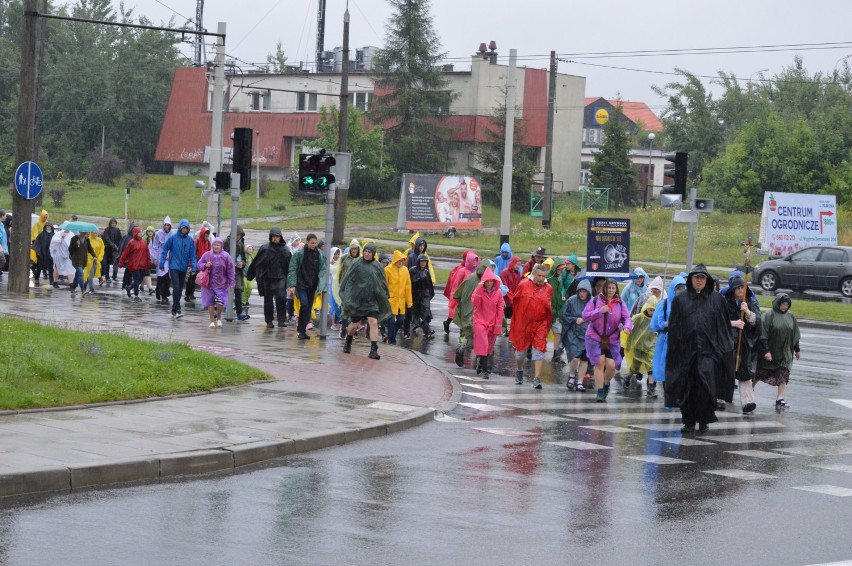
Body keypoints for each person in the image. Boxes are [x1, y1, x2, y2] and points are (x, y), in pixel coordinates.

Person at [665, 264, 735, 434]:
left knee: (706, 388)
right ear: (691, 279)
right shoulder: (681, 300)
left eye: (702, 278)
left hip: (708, 353)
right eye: (696, 278)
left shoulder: (717, 300)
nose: (699, 281)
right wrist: (674, 350)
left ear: (707, 280)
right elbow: (674, 326)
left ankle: (704, 419)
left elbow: (723, 327)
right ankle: (688, 421)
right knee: (687, 388)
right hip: (686, 353)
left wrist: (724, 350)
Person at [583, 278, 633, 402]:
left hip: (612, 338)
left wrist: (627, 327)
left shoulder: (620, 303)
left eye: (613, 288)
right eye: (608, 288)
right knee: (600, 363)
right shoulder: (595, 300)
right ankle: (600, 390)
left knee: (611, 366)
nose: (610, 290)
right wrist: (599, 311)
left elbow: (627, 318)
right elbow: (585, 315)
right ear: (604, 288)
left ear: (616, 289)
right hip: (595, 337)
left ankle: (606, 383)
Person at [340, 242, 391, 360]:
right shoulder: (356, 263)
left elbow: (383, 282)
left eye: (369, 252)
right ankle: (348, 340)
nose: (367, 254)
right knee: (354, 325)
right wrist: (346, 295)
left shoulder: (378, 266)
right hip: (357, 300)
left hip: (372, 301)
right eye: (366, 252)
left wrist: (385, 295)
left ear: (373, 254)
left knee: (373, 322)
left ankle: (373, 349)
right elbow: (348, 280)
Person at [722, 272, 762, 414]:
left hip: (744, 344)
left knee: (744, 373)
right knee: (726, 370)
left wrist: (748, 312)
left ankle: (747, 402)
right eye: (738, 288)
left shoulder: (750, 302)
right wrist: (734, 323)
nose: (740, 290)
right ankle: (721, 398)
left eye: (742, 288)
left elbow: (757, 322)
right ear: (733, 289)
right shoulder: (726, 302)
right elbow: (718, 321)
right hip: (728, 342)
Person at [509, 263, 553, 389]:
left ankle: (537, 378)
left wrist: (547, 324)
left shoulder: (548, 288)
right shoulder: (523, 285)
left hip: (540, 324)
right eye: (539, 275)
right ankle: (519, 369)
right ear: (533, 274)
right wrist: (516, 323)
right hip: (524, 324)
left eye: (543, 276)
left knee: (539, 350)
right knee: (520, 353)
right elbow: (515, 303)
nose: (541, 278)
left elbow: (549, 307)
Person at [755, 293, 800, 410]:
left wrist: (797, 349)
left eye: (787, 304)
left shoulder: (791, 316)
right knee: (760, 373)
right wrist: (766, 351)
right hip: (771, 352)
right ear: (777, 303)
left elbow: (794, 334)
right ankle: (749, 389)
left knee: (784, 374)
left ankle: (780, 398)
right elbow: (763, 334)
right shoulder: (769, 316)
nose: (785, 307)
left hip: (785, 353)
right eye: (783, 304)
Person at [649, 275, 687, 399]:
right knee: (666, 368)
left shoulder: (688, 304)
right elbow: (654, 324)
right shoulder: (664, 304)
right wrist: (666, 324)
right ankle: (668, 393)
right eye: (678, 288)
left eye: (683, 288)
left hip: (682, 341)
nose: (681, 291)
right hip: (666, 340)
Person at [246, 227, 292, 329]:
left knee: (281, 298)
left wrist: (291, 280)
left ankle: (281, 320)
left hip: (280, 277)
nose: (275, 238)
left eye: (277, 236)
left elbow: (290, 266)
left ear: (280, 237)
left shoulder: (285, 250)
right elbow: (257, 262)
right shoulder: (265, 248)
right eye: (273, 236)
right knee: (268, 301)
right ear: (270, 237)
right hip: (268, 278)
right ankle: (269, 321)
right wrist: (250, 274)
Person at [287, 233, 327, 340]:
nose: (314, 245)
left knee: (308, 308)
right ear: (307, 242)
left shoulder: (320, 254)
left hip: (312, 285)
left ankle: (302, 330)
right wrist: (292, 284)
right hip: (301, 285)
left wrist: (321, 285)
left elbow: (323, 270)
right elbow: (292, 269)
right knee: (304, 305)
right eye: (312, 243)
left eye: (315, 243)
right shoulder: (299, 254)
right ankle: (301, 329)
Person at [158, 219, 196, 319]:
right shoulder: (173, 238)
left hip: (183, 268)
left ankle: (174, 310)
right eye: (183, 228)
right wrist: (161, 263)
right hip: (173, 266)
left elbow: (192, 255)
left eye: (186, 228)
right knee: (177, 287)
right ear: (180, 228)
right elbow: (164, 250)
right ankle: (177, 309)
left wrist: (193, 267)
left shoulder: (190, 240)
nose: (185, 230)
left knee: (179, 290)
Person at [453, 261, 488, 368]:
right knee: (473, 336)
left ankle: (461, 347)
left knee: (465, 332)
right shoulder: (484, 282)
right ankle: (463, 348)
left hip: (466, 310)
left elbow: (457, 294)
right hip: (473, 312)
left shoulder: (470, 278)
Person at [471, 267, 504, 379]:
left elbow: (500, 309)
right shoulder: (479, 290)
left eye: (491, 281)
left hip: (492, 322)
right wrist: (479, 289)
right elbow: (475, 303)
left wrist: (498, 325)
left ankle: (480, 363)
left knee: (489, 347)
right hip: (480, 321)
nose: (489, 283)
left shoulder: (498, 293)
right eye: (487, 281)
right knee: (483, 344)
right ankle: (485, 370)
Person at [561, 279, 593, 391]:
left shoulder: (593, 302)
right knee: (574, 358)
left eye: (584, 291)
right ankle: (572, 375)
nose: (582, 294)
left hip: (588, 335)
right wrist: (575, 319)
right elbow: (564, 316)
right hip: (573, 333)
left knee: (584, 359)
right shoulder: (571, 301)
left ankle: (580, 382)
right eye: (580, 291)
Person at [624, 295, 659, 392]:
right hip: (638, 348)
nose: (652, 312)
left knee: (651, 368)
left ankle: (651, 388)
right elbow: (631, 333)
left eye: (654, 310)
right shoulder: (638, 318)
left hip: (649, 349)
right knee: (635, 367)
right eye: (650, 310)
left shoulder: (656, 320)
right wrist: (628, 344)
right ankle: (628, 377)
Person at [198, 237, 236, 328]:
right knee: (210, 302)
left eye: (218, 245)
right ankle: (211, 321)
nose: (216, 247)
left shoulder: (226, 256)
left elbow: (231, 270)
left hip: (221, 284)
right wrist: (205, 265)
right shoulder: (207, 255)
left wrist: (232, 282)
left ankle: (218, 317)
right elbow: (199, 264)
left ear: (221, 246)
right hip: (208, 284)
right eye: (214, 245)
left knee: (220, 302)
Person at [384, 249, 413, 345]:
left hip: (401, 301)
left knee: (401, 320)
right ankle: (391, 340)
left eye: (402, 261)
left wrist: (409, 302)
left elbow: (408, 287)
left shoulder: (405, 270)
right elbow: (384, 285)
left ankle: (391, 335)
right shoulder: (387, 270)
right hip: (390, 301)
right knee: (391, 321)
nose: (400, 263)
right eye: (399, 261)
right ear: (395, 260)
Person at [442, 250, 472, 334]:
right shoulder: (461, 269)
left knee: (461, 313)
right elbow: (455, 283)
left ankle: (460, 332)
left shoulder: (470, 269)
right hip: (459, 295)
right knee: (456, 312)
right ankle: (448, 323)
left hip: (466, 296)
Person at [118, 226, 150, 302]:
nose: (140, 234)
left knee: (140, 279)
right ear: (135, 233)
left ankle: (129, 288)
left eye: (141, 232)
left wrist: (148, 262)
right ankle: (136, 295)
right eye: (139, 233)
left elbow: (147, 253)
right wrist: (121, 262)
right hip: (134, 264)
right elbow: (125, 253)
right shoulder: (131, 242)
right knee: (136, 279)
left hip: (142, 264)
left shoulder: (144, 243)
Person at [224, 225, 249, 321]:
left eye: (240, 235)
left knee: (238, 290)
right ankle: (219, 310)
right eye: (237, 235)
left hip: (237, 272)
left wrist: (241, 264)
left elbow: (243, 258)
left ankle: (239, 312)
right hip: (225, 271)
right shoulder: (225, 242)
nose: (238, 237)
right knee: (224, 291)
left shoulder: (240, 244)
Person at [409, 253, 435, 337]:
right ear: (418, 262)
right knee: (416, 314)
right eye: (422, 261)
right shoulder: (412, 270)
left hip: (424, 296)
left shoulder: (426, 272)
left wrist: (429, 296)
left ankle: (427, 331)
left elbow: (430, 286)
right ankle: (418, 325)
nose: (423, 263)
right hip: (415, 296)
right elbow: (409, 283)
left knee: (426, 313)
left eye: (425, 261)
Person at [185, 223, 212, 303]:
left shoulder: (208, 243)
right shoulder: (196, 242)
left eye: (208, 236)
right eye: (205, 236)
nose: (207, 237)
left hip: (203, 264)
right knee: (192, 279)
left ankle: (191, 293)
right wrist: (190, 263)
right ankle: (188, 294)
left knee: (198, 279)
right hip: (195, 262)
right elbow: (192, 253)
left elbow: (209, 253)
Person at [499, 255, 523, 336]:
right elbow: (505, 287)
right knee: (505, 314)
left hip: (514, 297)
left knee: (512, 315)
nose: (519, 267)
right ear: (512, 263)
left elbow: (518, 286)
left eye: (520, 265)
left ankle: (509, 331)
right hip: (506, 298)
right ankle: (504, 329)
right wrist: (512, 298)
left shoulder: (518, 273)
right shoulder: (504, 272)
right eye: (517, 264)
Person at [151, 217, 173, 302]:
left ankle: (165, 294)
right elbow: (155, 246)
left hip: (169, 257)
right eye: (166, 225)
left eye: (168, 225)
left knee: (168, 276)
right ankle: (158, 290)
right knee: (161, 276)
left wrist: (171, 255)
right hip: (161, 256)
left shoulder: (173, 234)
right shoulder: (158, 234)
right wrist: (155, 258)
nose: (167, 227)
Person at [68, 231, 96, 296]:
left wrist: (94, 256)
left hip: (83, 260)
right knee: (81, 273)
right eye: (84, 232)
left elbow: (90, 249)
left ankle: (73, 288)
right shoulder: (74, 238)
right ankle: (83, 289)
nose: (86, 234)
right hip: (76, 260)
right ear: (80, 232)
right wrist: (76, 244)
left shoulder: (86, 239)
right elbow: (70, 249)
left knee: (77, 274)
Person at [82, 230, 105, 294]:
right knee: (90, 274)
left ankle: (84, 287)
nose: (95, 234)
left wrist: (99, 258)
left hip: (96, 260)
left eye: (96, 233)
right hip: (89, 260)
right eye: (94, 233)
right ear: (91, 233)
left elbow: (102, 250)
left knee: (89, 275)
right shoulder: (87, 240)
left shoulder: (100, 240)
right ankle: (91, 289)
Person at [32, 223, 55, 287]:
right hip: (42, 254)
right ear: (45, 227)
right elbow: (37, 243)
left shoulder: (54, 235)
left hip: (50, 254)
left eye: (49, 226)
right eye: (47, 226)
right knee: (39, 267)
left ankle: (51, 281)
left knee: (50, 268)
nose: (48, 228)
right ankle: (36, 279)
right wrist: (38, 252)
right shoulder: (41, 234)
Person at [101, 217, 122, 282]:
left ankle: (114, 276)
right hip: (107, 249)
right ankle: (107, 277)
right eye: (112, 223)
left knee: (115, 262)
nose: (113, 224)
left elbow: (120, 239)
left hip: (115, 250)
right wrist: (112, 244)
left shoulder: (117, 230)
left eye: (114, 223)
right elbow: (107, 239)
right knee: (106, 263)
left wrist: (118, 247)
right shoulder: (107, 230)